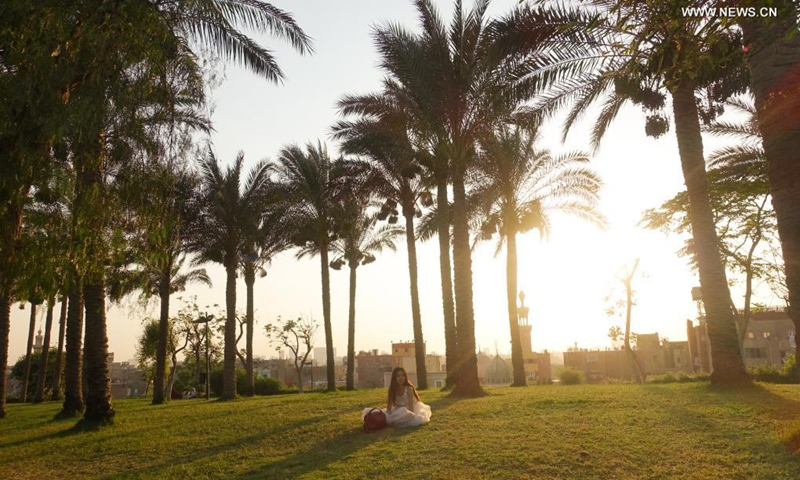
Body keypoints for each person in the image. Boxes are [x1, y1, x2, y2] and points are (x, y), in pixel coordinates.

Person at [362, 367, 431, 427]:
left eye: (403, 375)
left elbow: (411, 410)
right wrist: (389, 415)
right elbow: (389, 408)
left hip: (409, 411)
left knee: (404, 412)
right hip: (397, 409)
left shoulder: (409, 389)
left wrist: (403, 416)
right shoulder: (393, 389)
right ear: (395, 378)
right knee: (382, 414)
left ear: (405, 377)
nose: (400, 378)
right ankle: (389, 421)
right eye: (398, 376)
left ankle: (394, 421)